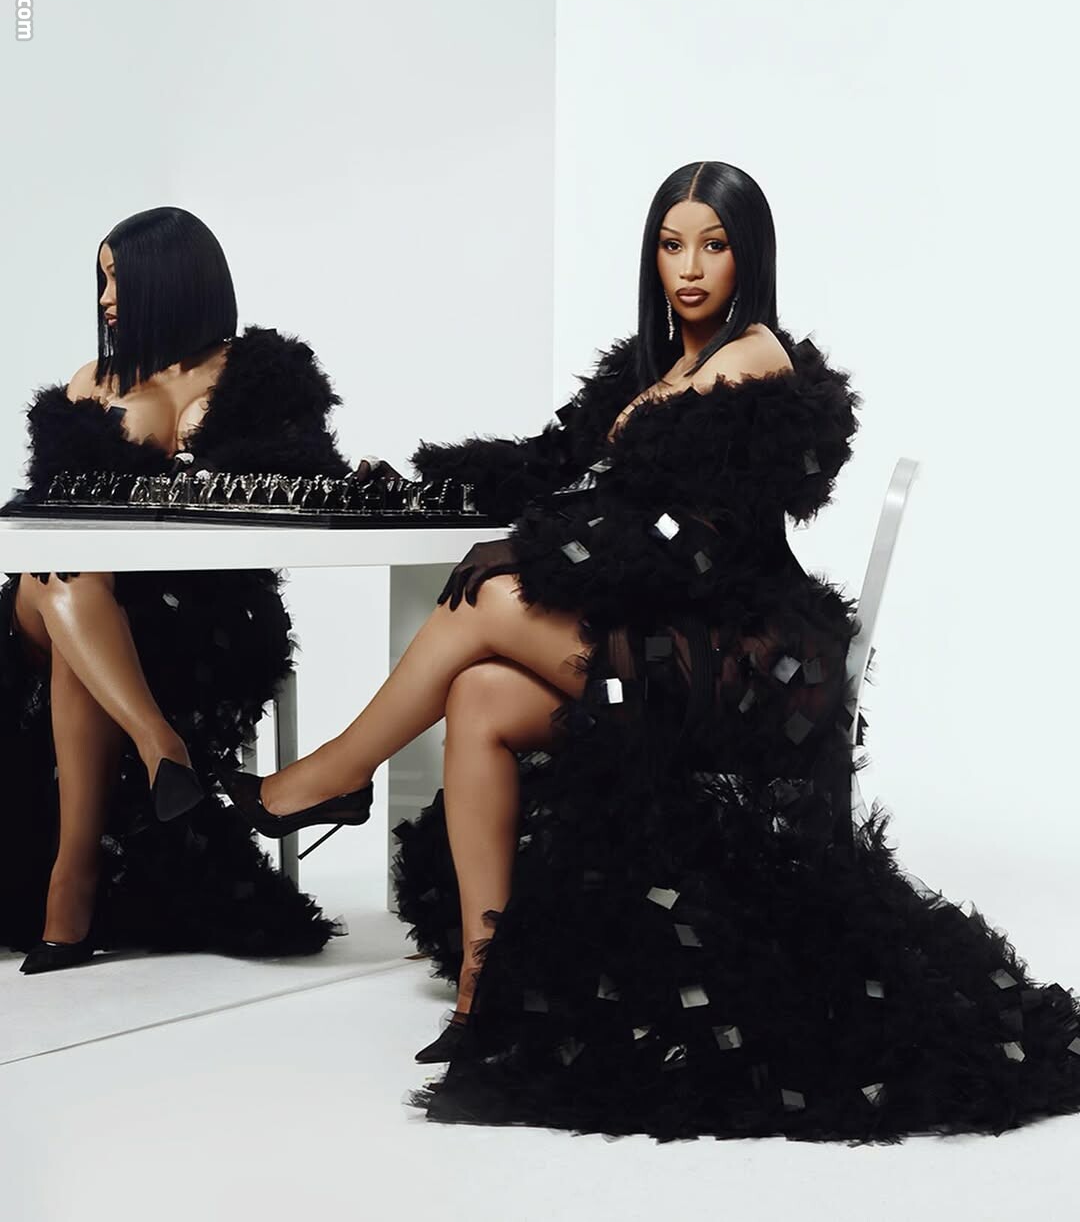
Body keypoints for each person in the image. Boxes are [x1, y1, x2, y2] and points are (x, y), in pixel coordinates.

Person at [220, 163, 1080, 1143]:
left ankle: (328, 777)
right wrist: (443, 487)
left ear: (749, 256)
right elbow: (557, 465)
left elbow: (686, 544)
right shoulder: (657, 362)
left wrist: (529, 551)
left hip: (743, 659)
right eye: (673, 245)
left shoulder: (750, 359)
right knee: (481, 694)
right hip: (665, 636)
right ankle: (482, 990)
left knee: (489, 599)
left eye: (714, 244)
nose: (691, 267)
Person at [0, 205, 386, 973]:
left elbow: (303, 474)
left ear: (171, 277)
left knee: (83, 616)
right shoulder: (93, 380)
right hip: (55, 601)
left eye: (119, 278)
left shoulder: (261, 373)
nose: (106, 298)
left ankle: (72, 886)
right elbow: (51, 512)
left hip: (190, 615)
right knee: (68, 570)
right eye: (102, 280)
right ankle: (158, 746)